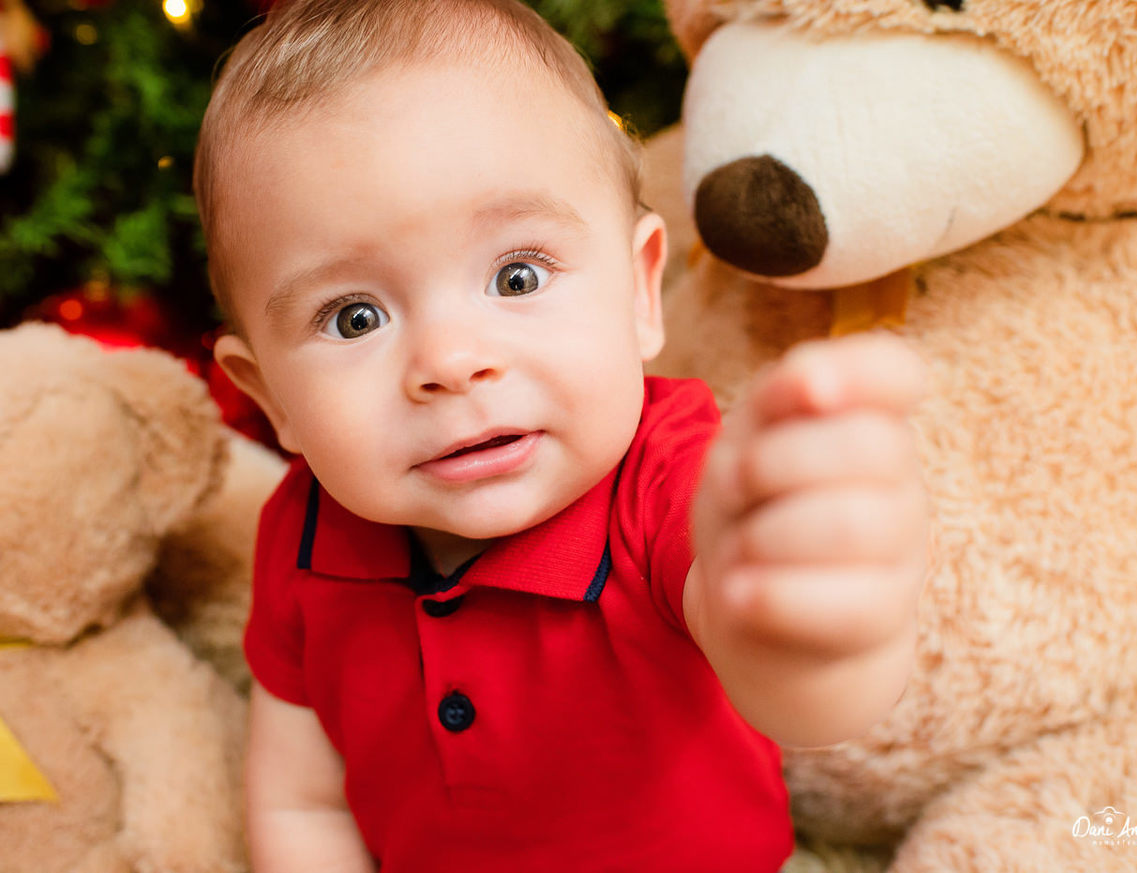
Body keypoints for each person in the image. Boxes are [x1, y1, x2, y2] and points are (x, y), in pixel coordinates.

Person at [193, 0, 929, 870]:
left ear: (640, 292)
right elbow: (302, 801)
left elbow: (800, 700)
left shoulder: (673, 480)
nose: (451, 362)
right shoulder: (303, 537)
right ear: (269, 395)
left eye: (517, 276)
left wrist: (818, 619)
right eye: (355, 317)